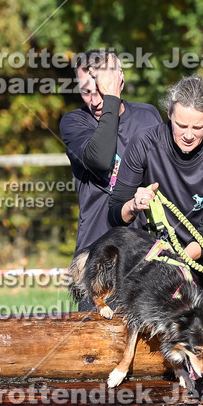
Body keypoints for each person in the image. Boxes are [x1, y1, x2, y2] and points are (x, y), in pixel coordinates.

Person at [107, 74, 203, 307]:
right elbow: (115, 213)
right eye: (181, 125)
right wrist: (134, 206)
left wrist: (177, 262)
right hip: (156, 265)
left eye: (198, 127)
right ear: (169, 113)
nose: (189, 135)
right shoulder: (144, 143)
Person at [60, 49, 163, 256]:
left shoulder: (148, 116)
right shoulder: (74, 122)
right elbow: (100, 159)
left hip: (144, 249)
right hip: (96, 250)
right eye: (87, 91)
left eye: (102, 90)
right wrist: (111, 100)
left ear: (120, 82)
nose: (96, 100)